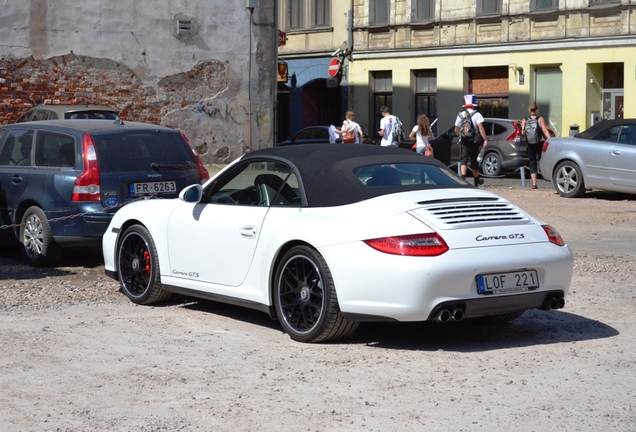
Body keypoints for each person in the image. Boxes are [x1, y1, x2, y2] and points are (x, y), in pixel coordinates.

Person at [454, 94, 488, 187]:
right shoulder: (477, 114)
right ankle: (476, 180)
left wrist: (460, 136)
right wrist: (485, 139)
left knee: (463, 160)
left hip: (463, 141)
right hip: (473, 141)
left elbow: (456, 129)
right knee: (474, 160)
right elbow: (480, 128)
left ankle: (463, 180)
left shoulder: (460, 115)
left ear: (465, 105)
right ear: (473, 105)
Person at [521, 104, 553, 189]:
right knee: (542, 159)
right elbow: (544, 130)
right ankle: (545, 176)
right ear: (537, 110)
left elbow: (523, 133)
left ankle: (534, 183)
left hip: (529, 143)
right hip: (539, 142)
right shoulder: (540, 119)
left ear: (529, 110)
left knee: (532, 162)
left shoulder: (525, 119)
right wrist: (550, 139)